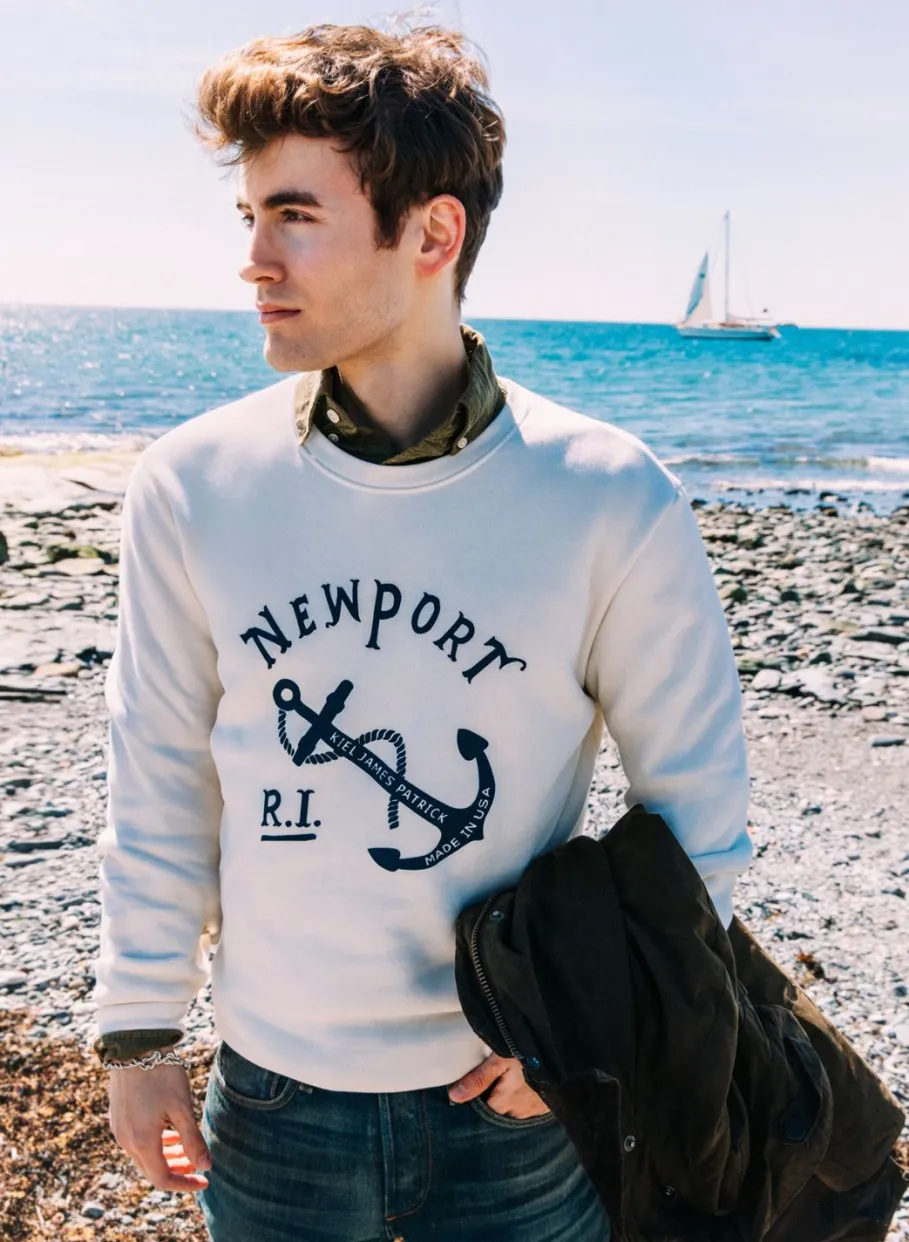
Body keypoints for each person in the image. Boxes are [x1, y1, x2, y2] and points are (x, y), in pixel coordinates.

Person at [93, 22, 752, 1242]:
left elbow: (699, 804)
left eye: (295, 216)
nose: (253, 260)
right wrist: (138, 1031)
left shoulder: (606, 496)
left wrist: (590, 1035)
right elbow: (162, 775)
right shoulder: (194, 484)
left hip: (514, 1112)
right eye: (249, 216)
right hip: (272, 1106)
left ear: (433, 235)